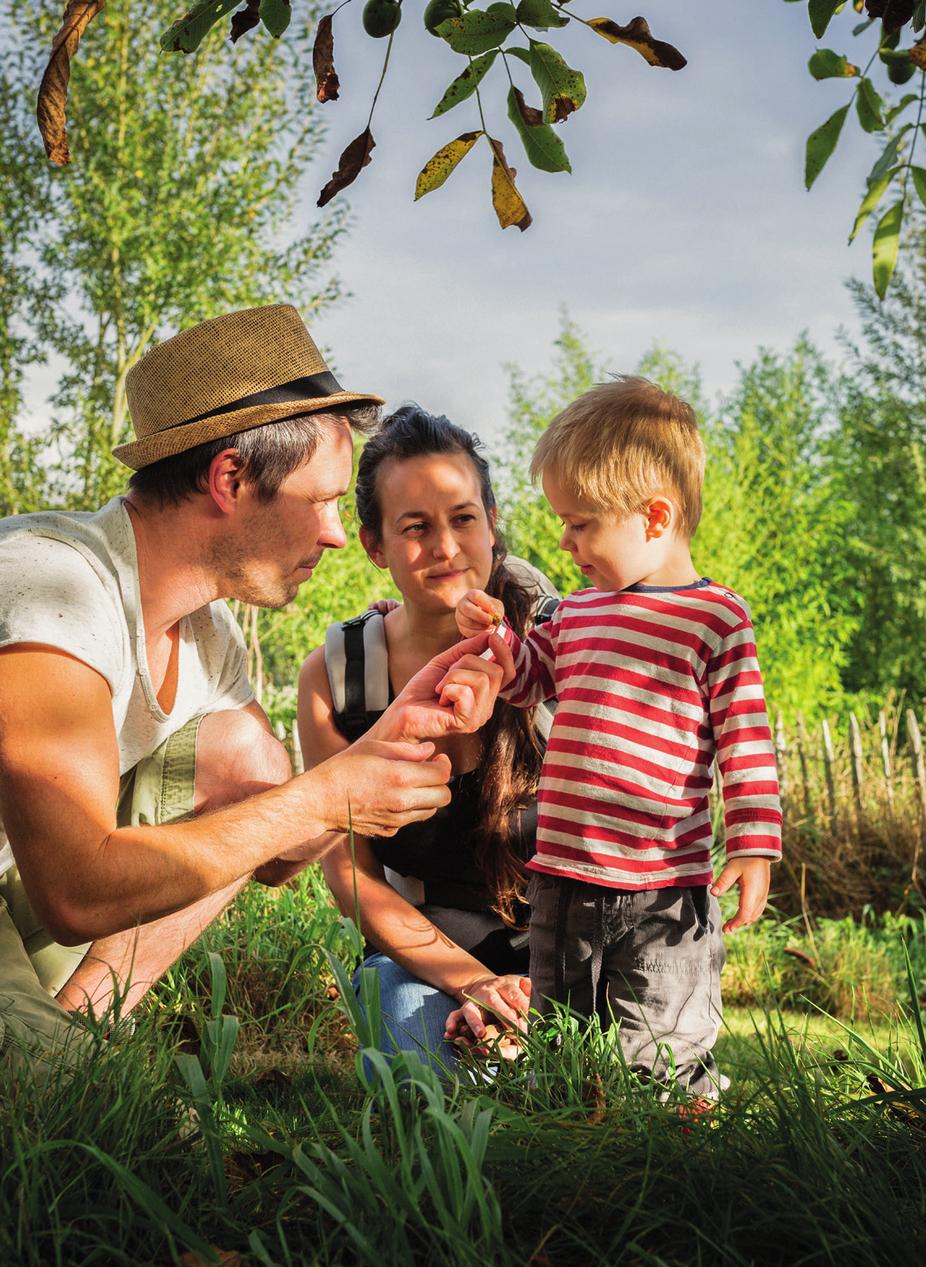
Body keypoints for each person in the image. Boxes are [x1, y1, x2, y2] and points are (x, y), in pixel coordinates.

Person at [0, 305, 506, 1075]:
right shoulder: (52, 583)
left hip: (20, 898)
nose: (340, 533)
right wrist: (324, 797)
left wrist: (385, 742)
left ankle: (83, 1034)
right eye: (325, 499)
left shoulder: (208, 638)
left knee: (245, 760)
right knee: (138, 1144)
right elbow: (74, 889)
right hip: (49, 885)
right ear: (230, 476)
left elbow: (272, 846)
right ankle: (59, 1067)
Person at [446, 376, 782, 1100]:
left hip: (663, 885)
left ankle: (673, 1133)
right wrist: (501, 642)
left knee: (657, 1038)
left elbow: (744, 738)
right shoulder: (578, 611)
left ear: (654, 516)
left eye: (581, 523)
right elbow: (530, 678)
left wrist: (755, 840)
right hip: (564, 875)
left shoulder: (714, 618)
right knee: (563, 1028)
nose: (565, 543)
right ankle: (571, 1131)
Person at [298, 405, 558, 1075]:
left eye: (463, 518)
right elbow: (350, 875)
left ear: (493, 526)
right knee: (431, 1067)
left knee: (590, 1080)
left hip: (565, 953)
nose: (445, 546)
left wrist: (526, 994)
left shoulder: (557, 647)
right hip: (419, 960)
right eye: (415, 527)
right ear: (375, 546)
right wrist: (474, 984)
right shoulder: (339, 678)